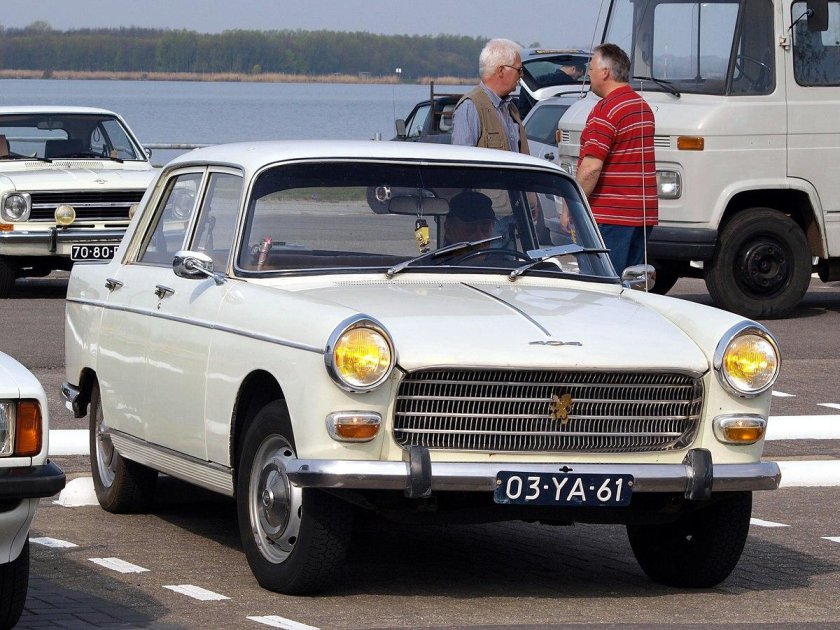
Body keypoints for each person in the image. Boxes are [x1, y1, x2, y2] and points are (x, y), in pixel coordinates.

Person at [575, 43, 658, 273]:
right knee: (631, 284)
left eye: (591, 67)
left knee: (601, 285)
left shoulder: (606, 110)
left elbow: (591, 168)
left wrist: (572, 206)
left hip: (609, 216)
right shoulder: (642, 107)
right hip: (641, 215)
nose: (588, 73)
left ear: (605, 72)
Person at [451, 38, 530, 155]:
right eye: (519, 70)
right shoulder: (470, 107)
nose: (522, 75)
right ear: (501, 71)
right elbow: (462, 163)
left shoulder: (511, 108)